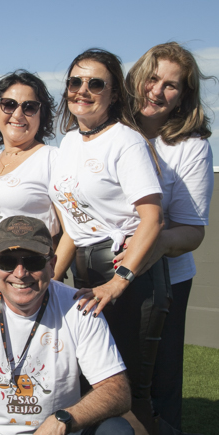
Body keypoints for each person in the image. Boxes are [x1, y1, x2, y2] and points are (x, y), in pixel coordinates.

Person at [0, 215, 133, 435]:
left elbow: (117, 391)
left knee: (116, 430)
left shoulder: (79, 307)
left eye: (33, 261)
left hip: (56, 432)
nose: (20, 273)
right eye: (7, 261)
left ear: (52, 265)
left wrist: (63, 420)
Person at [49, 48, 167, 434]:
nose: (82, 90)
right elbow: (72, 229)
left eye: (95, 83)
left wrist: (118, 283)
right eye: (75, 81)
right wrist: (51, 279)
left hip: (126, 277)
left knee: (129, 394)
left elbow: (152, 218)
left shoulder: (125, 141)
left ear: (114, 93)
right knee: (91, 385)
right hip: (85, 277)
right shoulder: (69, 142)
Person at [125, 42, 214, 431]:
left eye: (171, 85)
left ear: (184, 96)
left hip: (165, 284)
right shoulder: (110, 132)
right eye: (152, 79)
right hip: (102, 275)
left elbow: (192, 232)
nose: (157, 91)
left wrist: (149, 244)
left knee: (157, 387)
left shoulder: (191, 147)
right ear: (136, 79)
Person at [0, 70, 59, 283]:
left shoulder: (51, 158)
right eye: (9, 104)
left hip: (27, 279)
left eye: (29, 107)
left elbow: (71, 235)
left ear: (41, 114)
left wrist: (50, 282)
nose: (18, 114)